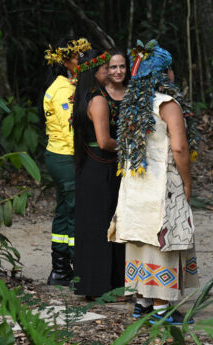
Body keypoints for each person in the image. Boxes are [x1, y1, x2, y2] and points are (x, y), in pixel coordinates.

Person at [108, 40, 199, 325]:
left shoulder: (131, 105)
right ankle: (162, 309)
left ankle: (142, 303)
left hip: (135, 186)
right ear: (164, 73)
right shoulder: (167, 105)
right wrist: (187, 181)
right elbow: (180, 148)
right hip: (162, 183)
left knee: (139, 241)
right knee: (163, 243)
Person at [72, 49, 126, 299]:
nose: (110, 71)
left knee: (90, 226)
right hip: (102, 168)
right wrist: (129, 144)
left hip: (88, 169)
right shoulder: (99, 100)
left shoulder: (83, 97)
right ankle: (105, 286)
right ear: (95, 72)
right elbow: (104, 141)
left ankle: (90, 284)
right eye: (105, 67)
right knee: (105, 226)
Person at [43, 37, 91, 286]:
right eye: (78, 57)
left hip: (59, 155)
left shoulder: (69, 84)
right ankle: (81, 270)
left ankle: (60, 270)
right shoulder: (63, 90)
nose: (82, 61)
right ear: (65, 61)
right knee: (76, 210)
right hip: (64, 156)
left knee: (64, 210)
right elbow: (69, 128)